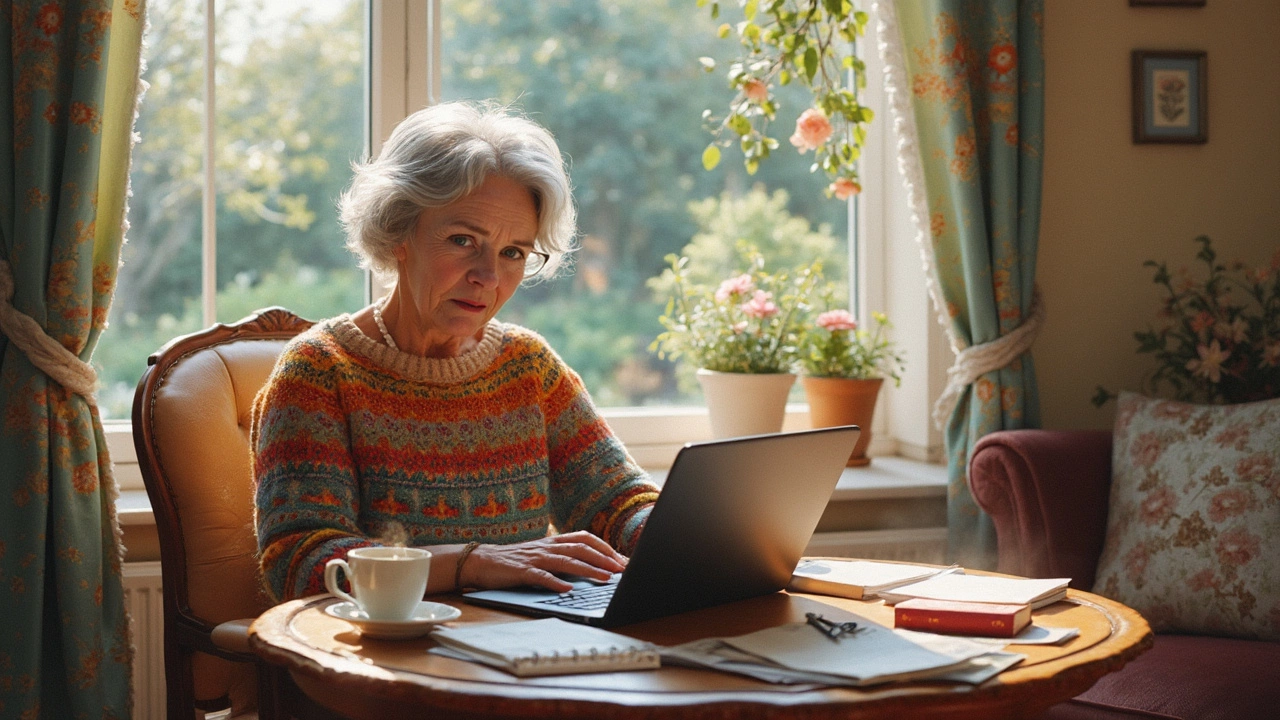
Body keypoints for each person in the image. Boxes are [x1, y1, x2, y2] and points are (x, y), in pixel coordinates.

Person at [251, 101, 659, 603]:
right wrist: (473, 563)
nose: (488, 276)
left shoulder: (527, 365)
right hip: (387, 657)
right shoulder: (320, 371)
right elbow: (300, 562)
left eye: (513, 252)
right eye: (464, 240)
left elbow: (617, 503)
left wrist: (693, 534)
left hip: (529, 645)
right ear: (399, 231)